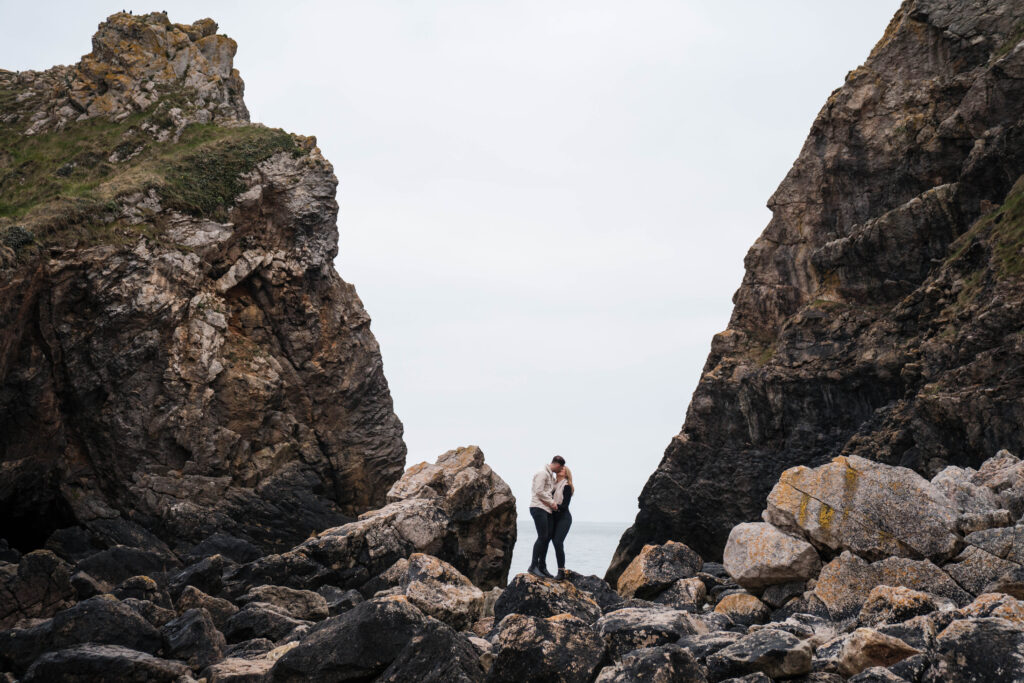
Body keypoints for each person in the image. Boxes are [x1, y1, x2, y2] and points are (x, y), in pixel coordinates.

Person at [528, 455, 564, 578]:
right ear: (557, 465)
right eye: (560, 469)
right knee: (542, 536)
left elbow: (551, 490)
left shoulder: (550, 476)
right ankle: (533, 566)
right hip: (538, 508)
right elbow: (538, 491)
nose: (560, 471)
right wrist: (552, 502)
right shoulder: (542, 473)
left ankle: (542, 566)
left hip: (546, 509)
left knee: (547, 537)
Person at [551, 465, 574, 580]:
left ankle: (561, 571)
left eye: (563, 469)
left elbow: (564, 506)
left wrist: (553, 505)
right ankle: (541, 567)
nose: (561, 469)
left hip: (564, 518)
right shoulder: (552, 485)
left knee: (557, 542)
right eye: (559, 468)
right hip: (553, 517)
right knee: (548, 540)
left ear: (566, 473)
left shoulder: (567, 487)